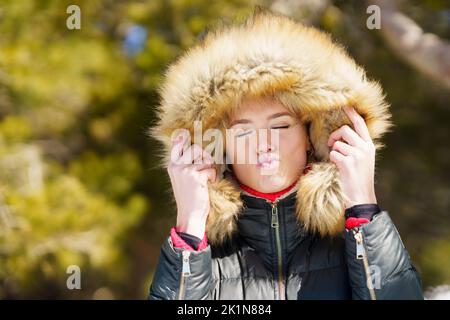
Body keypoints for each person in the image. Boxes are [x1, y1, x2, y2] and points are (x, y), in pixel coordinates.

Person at [148, 10, 423, 300]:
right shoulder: (202, 253)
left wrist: (364, 207)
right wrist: (191, 225)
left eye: (280, 125)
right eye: (242, 131)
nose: (263, 143)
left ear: (311, 137)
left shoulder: (353, 241)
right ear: (220, 148)